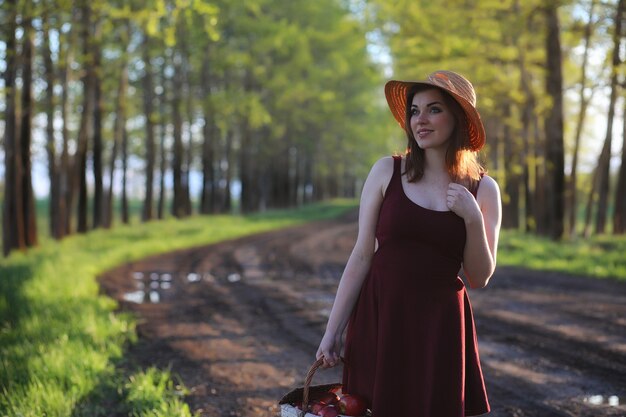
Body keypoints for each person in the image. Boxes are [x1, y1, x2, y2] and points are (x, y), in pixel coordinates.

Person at [315, 70, 502, 416]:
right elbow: (360, 257)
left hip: (440, 327)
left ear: (458, 118)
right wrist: (332, 332)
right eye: (414, 111)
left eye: (434, 110)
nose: (420, 120)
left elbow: (479, 277)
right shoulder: (387, 171)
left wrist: (472, 218)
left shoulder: (483, 189)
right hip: (382, 317)